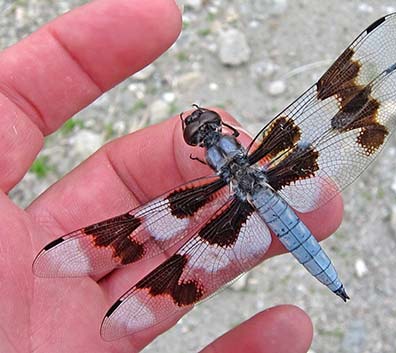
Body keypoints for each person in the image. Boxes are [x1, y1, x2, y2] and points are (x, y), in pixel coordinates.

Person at [0, 1, 343, 352]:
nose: (200, 126)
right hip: (272, 194)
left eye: (202, 127)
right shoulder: (243, 147)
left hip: (243, 205)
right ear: (227, 134)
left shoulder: (210, 176)